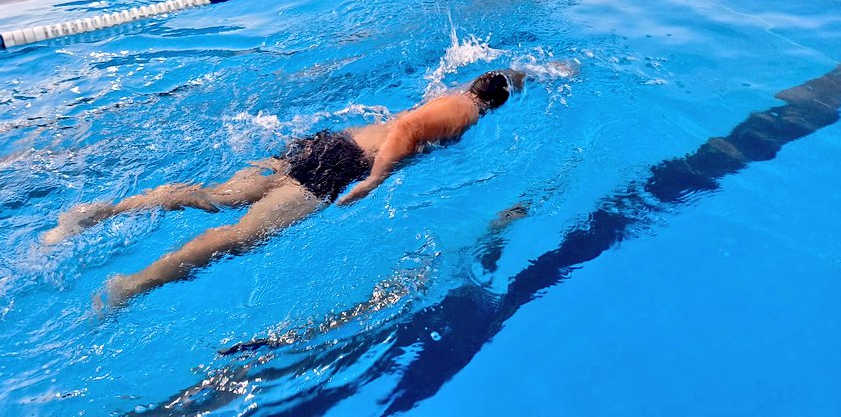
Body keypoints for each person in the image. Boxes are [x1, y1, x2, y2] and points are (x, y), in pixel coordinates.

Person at [44, 69, 528, 308]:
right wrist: (376, 179)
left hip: (326, 145)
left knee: (217, 195)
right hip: (345, 164)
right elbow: (404, 128)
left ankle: (102, 212)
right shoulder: (464, 111)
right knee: (241, 236)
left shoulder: (456, 95)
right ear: (495, 104)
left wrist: (526, 74)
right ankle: (131, 286)